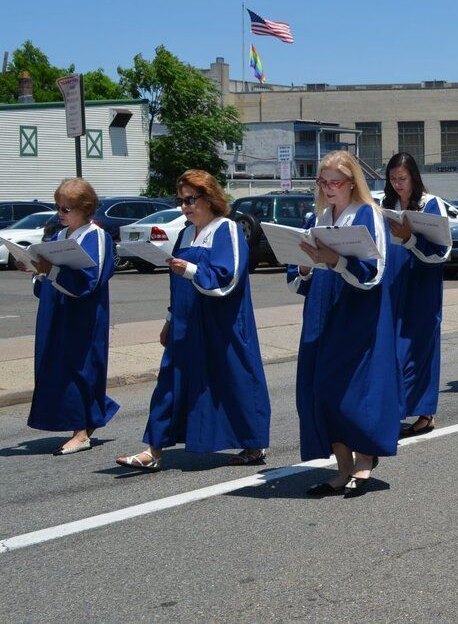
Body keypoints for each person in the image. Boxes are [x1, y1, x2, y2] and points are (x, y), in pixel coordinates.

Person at [118, 170, 270, 472]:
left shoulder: (226, 229)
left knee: (232, 381)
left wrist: (189, 269)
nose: (185, 207)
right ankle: (154, 449)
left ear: (209, 197)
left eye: (190, 199)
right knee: (170, 381)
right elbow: (178, 285)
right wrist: (169, 319)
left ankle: (253, 444)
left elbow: (229, 278)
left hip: (221, 324)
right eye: (181, 201)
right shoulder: (186, 233)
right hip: (187, 322)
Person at [289, 151, 401, 496]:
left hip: (357, 309)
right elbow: (298, 277)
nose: (328, 187)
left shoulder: (368, 214)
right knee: (321, 389)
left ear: (352, 182)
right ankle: (341, 468)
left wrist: (335, 260)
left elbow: (375, 273)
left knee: (356, 389)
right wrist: (304, 267)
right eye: (322, 181)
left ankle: (365, 460)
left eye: (334, 181)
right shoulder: (319, 215)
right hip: (322, 307)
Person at [18, 178, 118, 455]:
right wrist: (34, 268)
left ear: (85, 209)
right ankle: (89, 417)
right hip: (56, 311)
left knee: (80, 368)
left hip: (82, 315)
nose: (61, 213)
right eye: (58, 207)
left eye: (67, 208)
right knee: (56, 367)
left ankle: (82, 430)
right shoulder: (60, 236)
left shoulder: (95, 235)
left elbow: (92, 279)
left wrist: (51, 271)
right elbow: (48, 278)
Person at [382, 152, 451, 438]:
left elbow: (442, 250)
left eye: (403, 179)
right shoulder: (385, 205)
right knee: (392, 350)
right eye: (393, 179)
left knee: (419, 347)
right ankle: (395, 409)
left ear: (414, 177)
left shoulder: (430, 204)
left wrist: (410, 238)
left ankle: (425, 412)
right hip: (393, 282)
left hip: (421, 283)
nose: (398, 184)